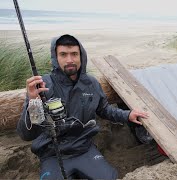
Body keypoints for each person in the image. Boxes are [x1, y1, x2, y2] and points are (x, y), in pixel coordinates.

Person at [17, 34, 148, 180]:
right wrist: (33, 101)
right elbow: (26, 135)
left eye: (74, 54)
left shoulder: (91, 83)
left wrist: (127, 115)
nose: (70, 60)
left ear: (81, 56)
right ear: (55, 58)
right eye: (63, 54)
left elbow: (104, 110)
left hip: (84, 148)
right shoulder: (42, 85)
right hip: (52, 154)